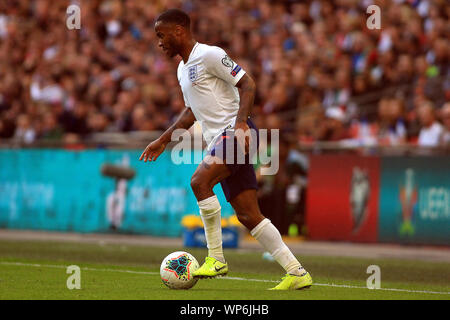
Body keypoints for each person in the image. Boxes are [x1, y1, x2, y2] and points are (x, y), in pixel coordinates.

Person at [139, 9, 312, 290]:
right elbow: (191, 112)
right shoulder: (182, 69)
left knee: (199, 182)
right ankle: (296, 271)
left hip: (235, 134)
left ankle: (216, 258)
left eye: (161, 35)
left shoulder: (209, 54)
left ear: (179, 30)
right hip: (224, 139)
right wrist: (164, 139)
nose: (159, 42)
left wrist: (241, 122)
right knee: (247, 215)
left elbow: (247, 83)